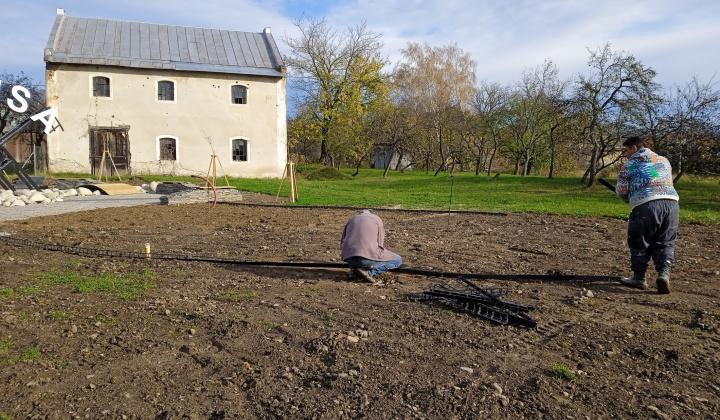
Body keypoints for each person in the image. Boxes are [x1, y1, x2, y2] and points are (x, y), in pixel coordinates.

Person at [615, 136, 679, 294]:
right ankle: (664, 274)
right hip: (672, 204)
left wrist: (628, 199)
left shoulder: (629, 165)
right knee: (665, 242)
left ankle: (639, 277)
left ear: (634, 148)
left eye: (626, 150)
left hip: (646, 205)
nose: (626, 154)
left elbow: (622, 191)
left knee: (639, 241)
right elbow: (663, 179)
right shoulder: (663, 160)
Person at [341, 209, 402, 283]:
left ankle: (353, 271)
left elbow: (342, 242)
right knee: (398, 260)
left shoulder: (352, 219)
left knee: (355, 250)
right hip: (364, 260)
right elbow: (380, 243)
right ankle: (370, 272)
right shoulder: (377, 220)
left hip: (348, 258)